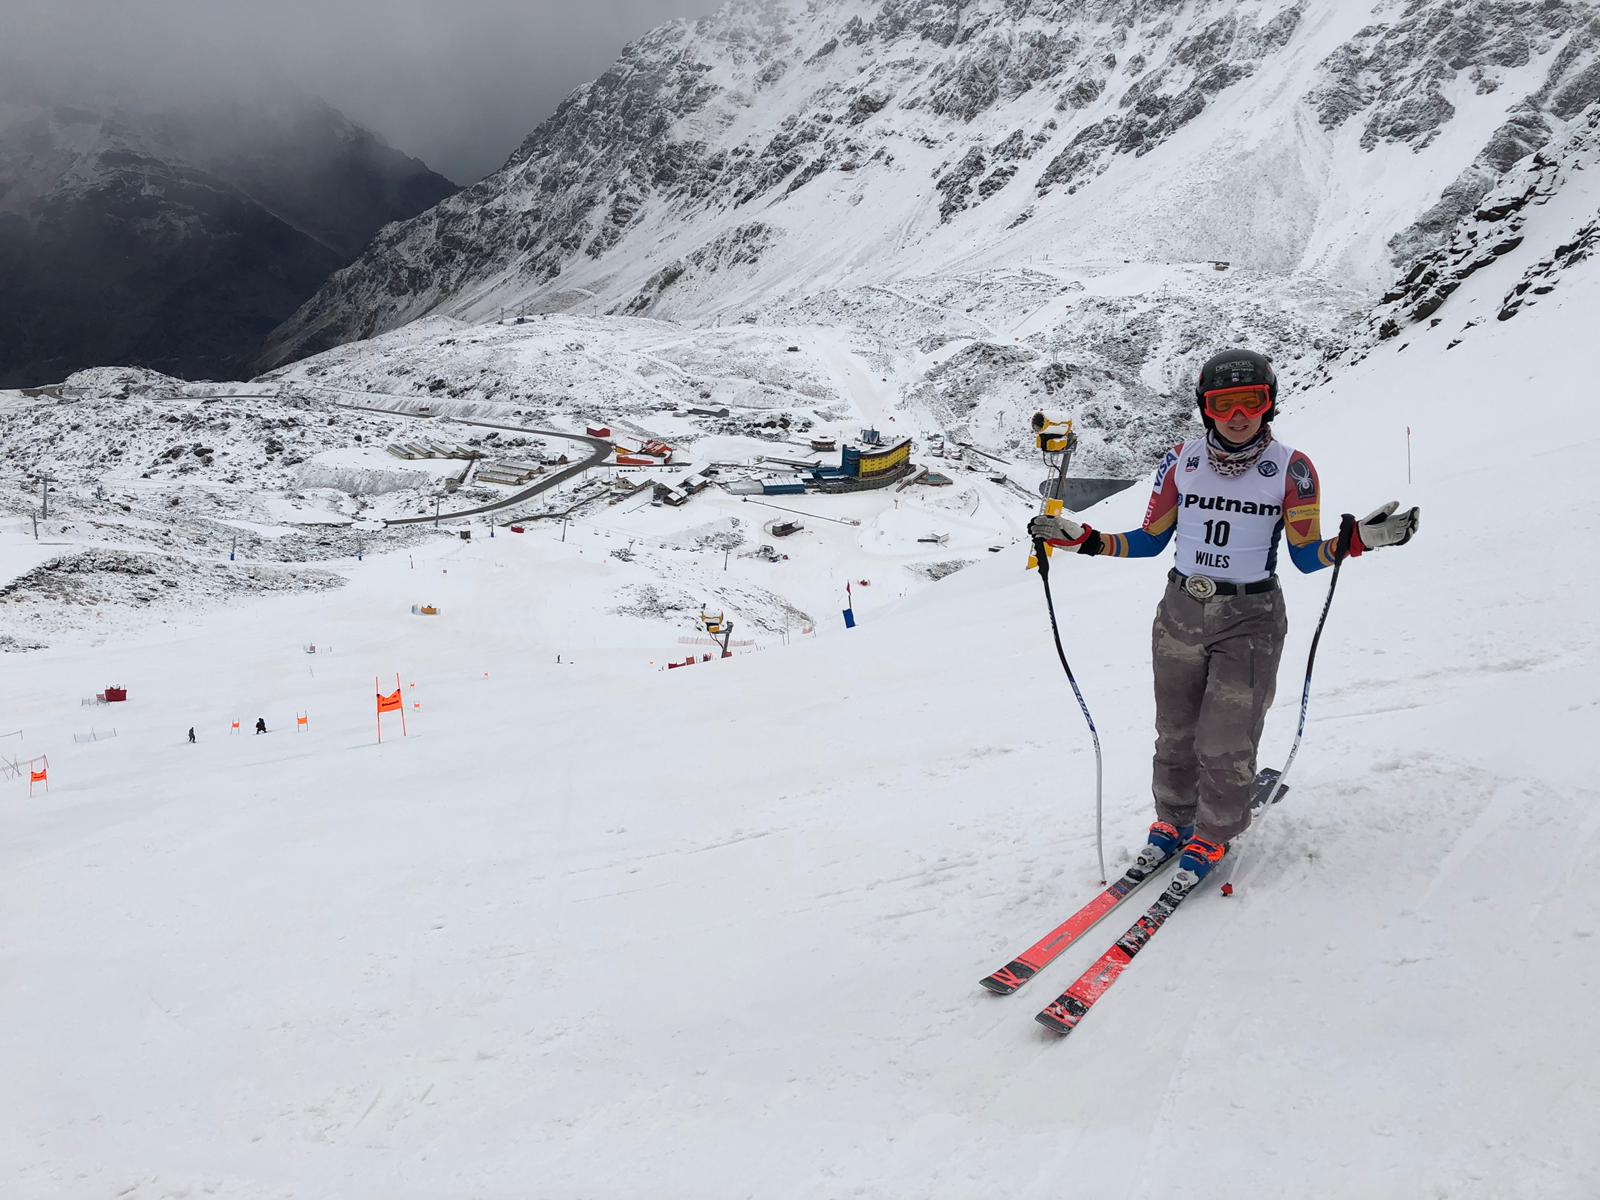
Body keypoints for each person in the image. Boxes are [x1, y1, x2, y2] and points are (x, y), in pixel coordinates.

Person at [1028, 349, 1420, 881]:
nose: (1238, 416)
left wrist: (1358, 541)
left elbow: (1306, 556)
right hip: (1180, 612)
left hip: (1250, 616)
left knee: (1226, 739)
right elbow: (1148, 541)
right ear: (1205, 409)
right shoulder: (1180, 461)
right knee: (1175, 733)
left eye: (1251, 402)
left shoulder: (1292, 469)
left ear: (1269, 405)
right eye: (1223, 404)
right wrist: (1087, 541)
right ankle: (1172, 821)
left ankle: (1215, 833)